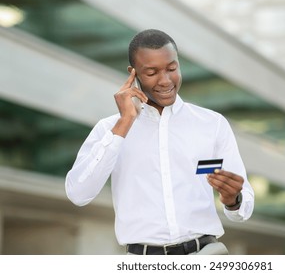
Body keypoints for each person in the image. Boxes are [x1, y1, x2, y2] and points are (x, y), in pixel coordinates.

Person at [65, 29, 254, 255]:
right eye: (152, 72)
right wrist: (124, 124)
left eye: (172, 69)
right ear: (133, 74)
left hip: (205, 255)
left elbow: (244, 207)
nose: (165, 81)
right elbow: (78, 194)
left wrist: (234, 199)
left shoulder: (212, 124)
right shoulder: (110, 129)